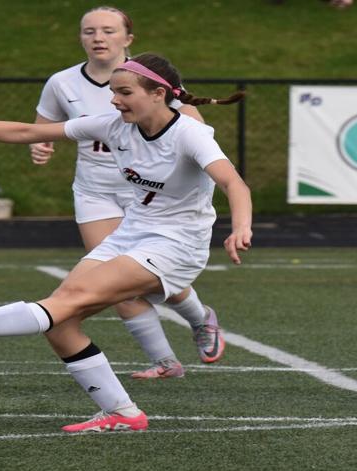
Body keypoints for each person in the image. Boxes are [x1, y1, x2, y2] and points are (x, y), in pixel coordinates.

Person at [0, 54, 253, 433]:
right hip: (132, 234)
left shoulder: (189, 134)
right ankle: (122, 413)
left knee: (65, 302)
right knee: (61, 324)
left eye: (124, 92)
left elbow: (234, 183)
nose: (114, 100)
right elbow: (27, 133)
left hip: (177, 246)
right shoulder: (114, 126)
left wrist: (240, 227)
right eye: (113, 92)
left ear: (158, 93)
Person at [31, 6, 225, 381]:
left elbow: (189, 120)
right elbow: (42, 126)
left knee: (152, 279)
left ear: (128, 39)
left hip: (152, 193)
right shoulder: (62, 82)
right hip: (96, 192)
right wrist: (40, 146)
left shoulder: (147, 79)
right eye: (89, 31)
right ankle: (166, 362)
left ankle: (201, 320)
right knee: (113, 283)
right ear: (80, 38)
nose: (98, 38)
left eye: (107, 30)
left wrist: (196, 141)